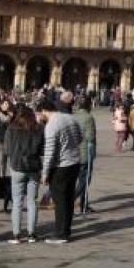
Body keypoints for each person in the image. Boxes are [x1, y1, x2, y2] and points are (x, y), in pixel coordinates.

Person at [39, 93, 83, 244]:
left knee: (60, 201)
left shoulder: (51, 125)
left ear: (45, 110)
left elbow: (49, 151)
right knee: (69, 198)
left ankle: (60, 234)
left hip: (61, 166)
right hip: (74, 163)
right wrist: (69, 146)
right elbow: (80, 138)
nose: (40, 117)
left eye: (40, 113)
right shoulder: (70, 118)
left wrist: (45, 173)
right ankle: (66, 230)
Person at [3, 104, 44, 243]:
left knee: (17, 202)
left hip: (17, 167)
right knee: (33, 202)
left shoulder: (11, 128)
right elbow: (42, 150)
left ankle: (16, 235)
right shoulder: (38, 128)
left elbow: (7, 150)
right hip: (33, 167)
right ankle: (32, 234)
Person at [75, 104, 97, 215]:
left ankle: (84, 204)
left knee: (78, 179)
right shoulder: (88, 117)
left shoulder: (73, 116)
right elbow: (90, 137)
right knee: (85, 180)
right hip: (85, 153)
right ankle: (73, 199)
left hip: (74, 153)